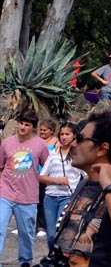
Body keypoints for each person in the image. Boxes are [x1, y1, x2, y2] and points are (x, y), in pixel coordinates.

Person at [57, 111, 111, 267]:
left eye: (80, 139)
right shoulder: (84, 183)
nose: (73, 144)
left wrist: (109, 185)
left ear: (102, 149)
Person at [0, 109, 50, 266]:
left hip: (28, 197)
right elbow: (1, 166)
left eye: (27, 125)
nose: (22, 127)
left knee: (26, 234)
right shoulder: (7, 142)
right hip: (6, 193)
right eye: (21, 123)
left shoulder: (41, 145)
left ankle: (25, 262)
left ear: (33, 127)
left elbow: (47, 166)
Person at [40, 121, 84, 242]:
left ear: (74, 135)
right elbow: (42, 176)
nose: (64, 137)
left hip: (67, 198)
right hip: (50, 197)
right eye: (62, 134)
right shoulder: (53, 154)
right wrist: (56, 180)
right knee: (50, 234)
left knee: (60, 232)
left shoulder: (77, 156)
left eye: (67, 134)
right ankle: (51, 257)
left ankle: (59, 258)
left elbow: (86, 176)